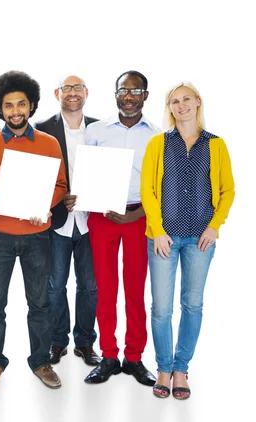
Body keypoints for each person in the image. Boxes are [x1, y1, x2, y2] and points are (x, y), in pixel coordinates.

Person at [140, 81, 235, 399]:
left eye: (185, 100)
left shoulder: (216, 144)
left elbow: (227, 191)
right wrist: (158, 229)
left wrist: (214, 227)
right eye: (174, 102)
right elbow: (148, 191)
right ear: (169, 108)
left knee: (192, 305)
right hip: (163, 238)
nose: (180, 106)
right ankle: (164, 368)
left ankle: (182, 369)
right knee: (161, 309)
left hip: (200, 239)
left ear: (197, 102)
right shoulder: (158, 143)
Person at [0, 71, 67, 389]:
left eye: (21, 104)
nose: (15, 111)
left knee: (40, 302)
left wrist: (45, 204)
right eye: (8, 105)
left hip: (36, 234)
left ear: (31, 106)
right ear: (0, 110)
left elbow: (60, 185)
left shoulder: (49, 143)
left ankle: (41, 361)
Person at [82, 70, 159, 387]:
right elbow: (84, 173)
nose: (129, 96)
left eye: (136, 90)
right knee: (106, 287)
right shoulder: (96, 131)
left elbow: (161, 183)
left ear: (145, 95)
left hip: (139, 217)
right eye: (123, 90)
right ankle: (110, 356)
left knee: (135, 289)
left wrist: (137, 214)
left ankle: (135, 357)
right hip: (102, 216)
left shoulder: (158, 135)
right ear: (115, 94)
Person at [35, 75, 100, 367]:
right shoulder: (42, 129)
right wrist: (59, 198)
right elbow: (35, 176)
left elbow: (108, 173)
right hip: (58, 220)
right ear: (56, 93)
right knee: (54, 286)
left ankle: (85, 342)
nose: (72, 93)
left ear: (86, 93)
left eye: (77, 88)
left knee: (89, 286)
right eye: (66, 89)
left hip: (92, 221)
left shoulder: (101, 129)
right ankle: (58, 340)